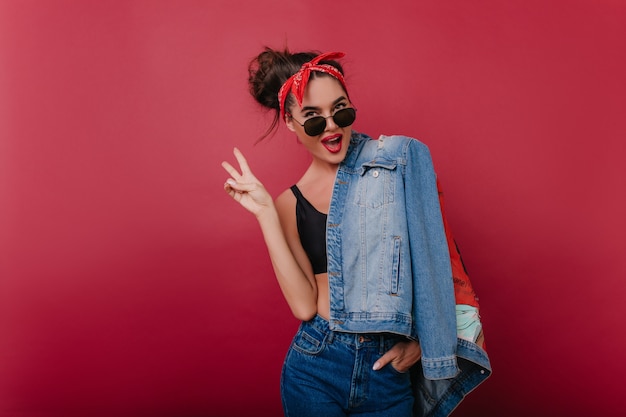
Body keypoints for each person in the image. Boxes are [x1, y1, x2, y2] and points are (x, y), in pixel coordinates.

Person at [221, 48, 491, 417]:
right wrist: (266, 213)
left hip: (387, 370)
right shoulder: (288, 203)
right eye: (313, 118)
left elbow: (437, 257)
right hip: (316, 364)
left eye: (341, 110)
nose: (331, 126)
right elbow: (303, 305)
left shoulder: (397, 163)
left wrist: (427, 343)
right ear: (291, 122)